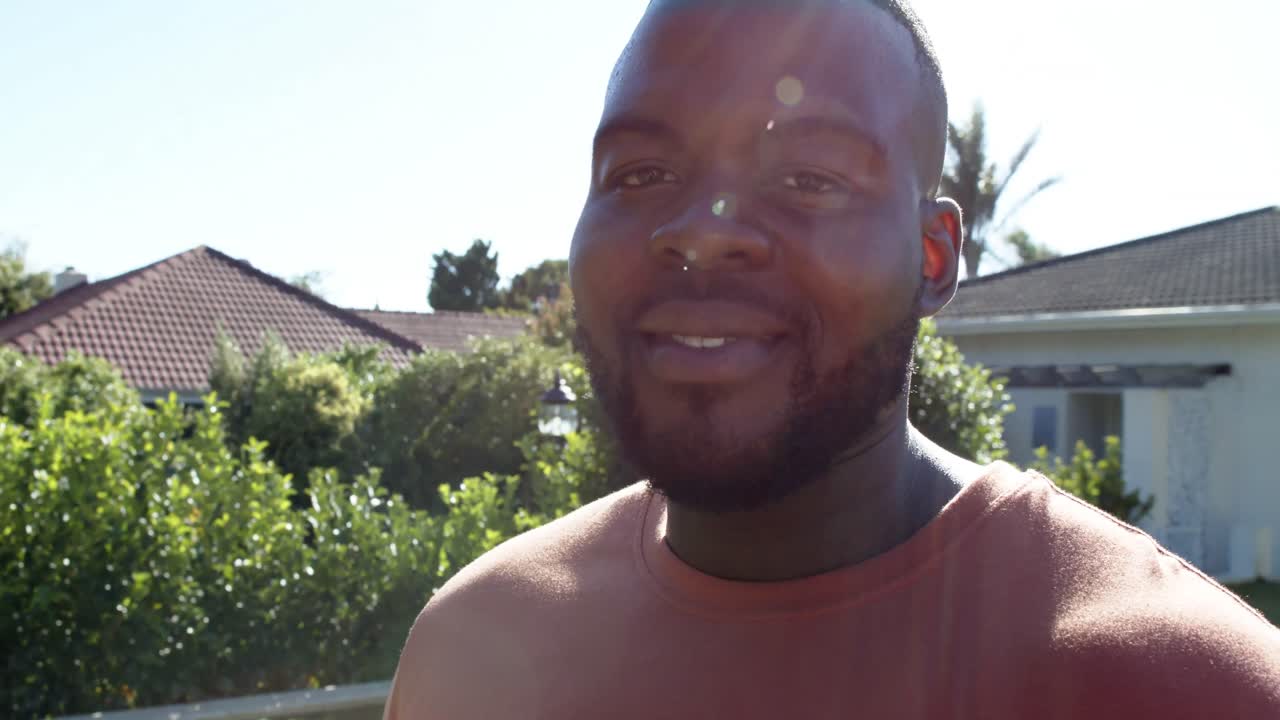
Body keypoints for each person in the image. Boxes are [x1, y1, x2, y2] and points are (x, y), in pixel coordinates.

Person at [385, 1, 1280, 716]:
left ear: (932, 258)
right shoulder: (473, 651)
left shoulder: (1181, 684)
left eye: (810, 179)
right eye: (640, 175)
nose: (702, 231)